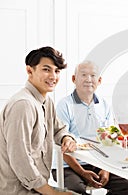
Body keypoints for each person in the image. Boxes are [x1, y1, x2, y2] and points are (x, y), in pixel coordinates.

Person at [51, 60, 128, 195]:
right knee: (76, 190)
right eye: (83, 75)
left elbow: (111, 140)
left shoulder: (104, 105)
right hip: (67, 165)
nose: (89, 80)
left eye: (93, 76)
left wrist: (106, 169)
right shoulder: (64, 105)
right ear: (74, 79)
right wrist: (82, 172)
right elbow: (63, 145)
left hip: (98, 162)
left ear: (100, 80)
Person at [0, 46, 77, 195]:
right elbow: (20, 160)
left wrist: (66, 138)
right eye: (46, 69)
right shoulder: (23, 105)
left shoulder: (46, 101)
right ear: (30, 71)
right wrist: (53, 193)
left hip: (37, 187)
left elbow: (58, 128)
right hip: (18, 190)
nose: (53, 76)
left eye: (57, 71)